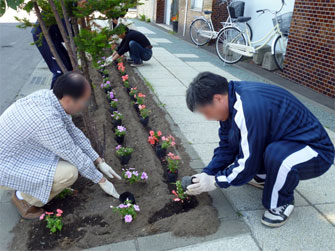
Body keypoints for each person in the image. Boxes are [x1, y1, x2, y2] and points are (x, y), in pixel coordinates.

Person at [185, 72, 334, 227]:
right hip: (287, 141)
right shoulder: (231, 102)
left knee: (277, 156)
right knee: (242, 140)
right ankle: (265, 178)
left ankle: (281, 202)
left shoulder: (248, 108)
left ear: (217, 98)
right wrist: (208, 172)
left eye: (205, 112)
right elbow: (227, 146)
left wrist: (216, 180)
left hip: (315, 151)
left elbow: (248, 163)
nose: (207, 118)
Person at [0, 72, 121, 220]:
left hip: (19, 152)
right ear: (69, 99)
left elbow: (74, 133)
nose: (85, 106)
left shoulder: (47, 97)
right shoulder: (47, 120)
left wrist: (98, 160)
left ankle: (30, 186)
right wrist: (101, 180)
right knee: (69, 173)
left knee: (63, 156)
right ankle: (23, 198)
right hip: (6, 165)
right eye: (84, 102)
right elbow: (73, 153)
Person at [32, 20, 73, 89]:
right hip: (42, 36)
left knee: (68, 65)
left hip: (53, 36)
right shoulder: (62, 10)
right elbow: (66, 33)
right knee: (60, 68)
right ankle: (53, 95)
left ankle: (64, 92)